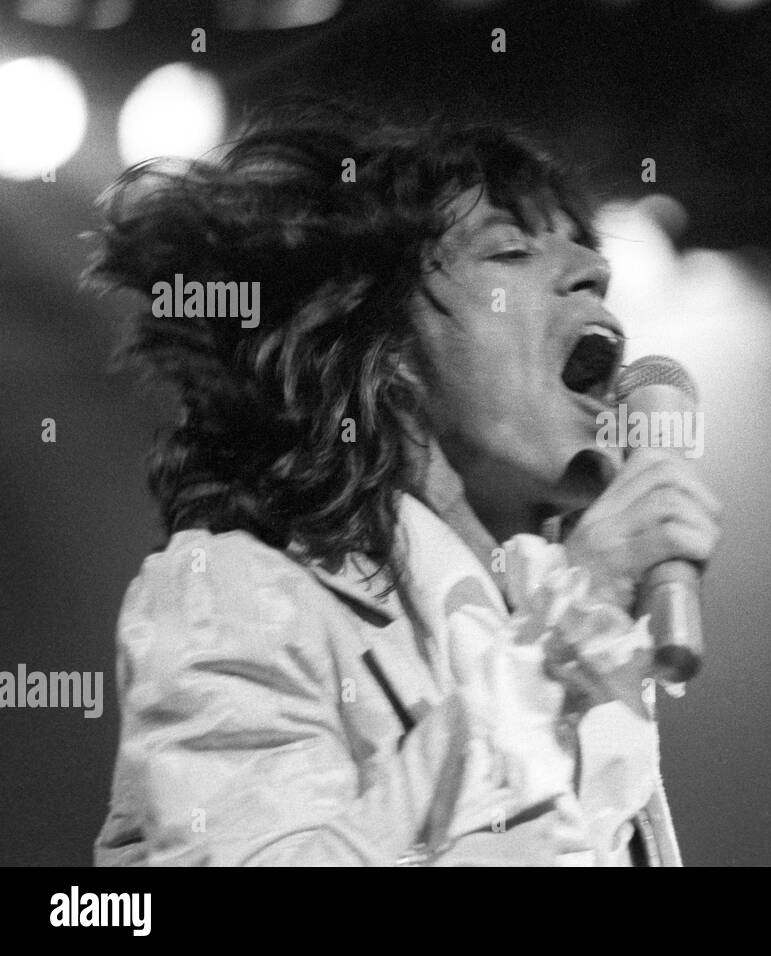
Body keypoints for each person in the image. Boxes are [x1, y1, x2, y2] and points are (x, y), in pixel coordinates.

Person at [84, 98, 722, 866]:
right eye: (510, 254)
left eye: (585, 252)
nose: (595, 270)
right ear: (385, 354)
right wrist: (556, 646)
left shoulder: (566, 635)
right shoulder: (234, 593)